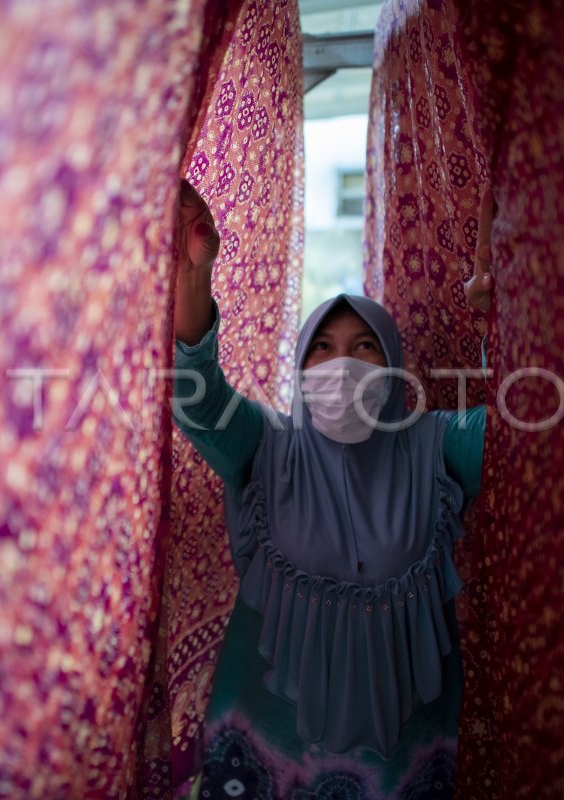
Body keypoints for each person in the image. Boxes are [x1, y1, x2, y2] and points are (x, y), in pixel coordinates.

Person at [172, 179, 492, 800]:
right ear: (299, 372)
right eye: (320, 349)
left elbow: (525, 436)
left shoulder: (438, 448)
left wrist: (503, 312)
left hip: (404, 769)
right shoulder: (266, 447)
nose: (341, 365)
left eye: (364, 348)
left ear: (394, 369)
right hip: (261, 760)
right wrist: (194, 274)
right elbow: (199, 399)